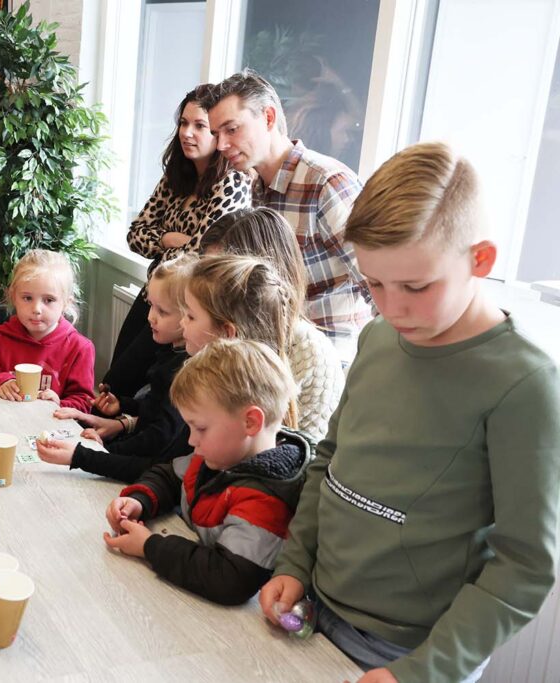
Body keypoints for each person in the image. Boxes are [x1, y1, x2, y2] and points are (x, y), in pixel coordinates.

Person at [259, 142, 560, 683]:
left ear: (480, 260)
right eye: (374, 283)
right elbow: (329, 462)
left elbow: (525, 565)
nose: (390, 308)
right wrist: (296, 563)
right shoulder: (378, 337)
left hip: (408, 653)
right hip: (315, 605)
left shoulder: (526, 384)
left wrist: (424, 671)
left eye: (416, 287)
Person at [104, 337, 311, 606]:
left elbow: (229, 578)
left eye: (200, 428)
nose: (191, 441)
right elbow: (170, 476)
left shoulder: (266, 498)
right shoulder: (222, 455)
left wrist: (150, 546)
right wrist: (139, 500)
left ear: (250, 422)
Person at [210, 69, 371, 364]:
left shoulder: (327, 183)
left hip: (331, 364)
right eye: (216, 134)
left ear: (269, 118)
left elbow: (376, 284)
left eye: (231, 129)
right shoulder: (256, 186)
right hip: (280, 359)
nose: (220, 145)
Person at [108, 84, 251, 396]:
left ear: (217, 134)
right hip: (155, 292)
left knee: (143, 391)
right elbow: (135, 235)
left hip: (186, 306)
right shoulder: (175, 177)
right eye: (183, 123)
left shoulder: (232, 184)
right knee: (115, 379)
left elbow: (200, 256)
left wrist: (168, 244)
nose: (188, 133)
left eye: (200, 126)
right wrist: (166, 239)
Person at [38, 256, 191, 482]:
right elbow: (159, 409)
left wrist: (103, 452)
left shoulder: (185, 370)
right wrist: (125, 407)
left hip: (150, 472)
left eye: (163, 312)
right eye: (150, 306)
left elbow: (159, 438)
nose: (150, 317)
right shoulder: (171, 352)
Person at [201, 207, 345, 439]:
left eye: (222, 277)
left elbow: (299, 461)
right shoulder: (213, 328)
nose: (208, 291)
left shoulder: (309, 352)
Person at [0, 249, 94, 411]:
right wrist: (1, 383)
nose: (37, 309)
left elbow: (84, 401)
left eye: (49, 300)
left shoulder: (79, 348)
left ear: (66, 303)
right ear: (13, 297)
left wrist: (59, 403)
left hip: (53, 429)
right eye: (27, 298)